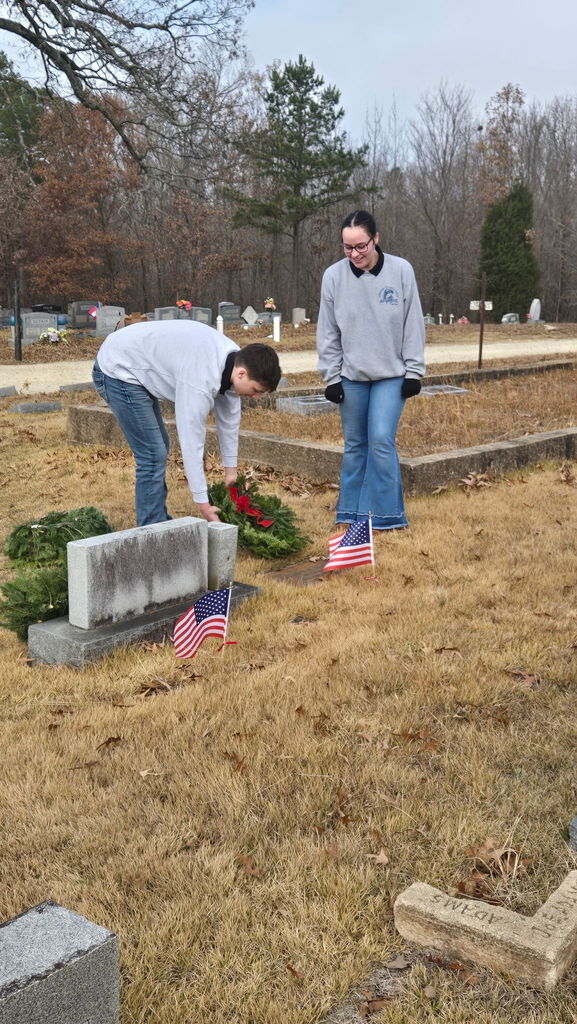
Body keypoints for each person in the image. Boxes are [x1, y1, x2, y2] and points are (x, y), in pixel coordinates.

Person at [92, 319, 281, 526]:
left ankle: (158, 522)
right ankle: (152, 530)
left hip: (136, 357)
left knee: (158, 448)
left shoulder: (237, 361)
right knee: (152, 453)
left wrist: (231, 475)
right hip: (118, 366)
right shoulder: (200, 378)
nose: (256, 397)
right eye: (256, 390)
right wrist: (203, 503)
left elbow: (229, 425)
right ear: (242, 374)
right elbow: (191, 440)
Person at [316, 210, 426, 532]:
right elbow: (328, 331)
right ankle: (349, 513)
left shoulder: (401, 271)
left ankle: (387, 516)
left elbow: (412, 323)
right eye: (347, 247)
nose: (354, 254)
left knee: (380, 439)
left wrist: (414, 372)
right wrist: (332, 377)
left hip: (391, 375)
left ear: (375, 239)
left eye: (360, 246)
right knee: (355, 444)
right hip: (352, 377)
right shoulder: (333, 277)